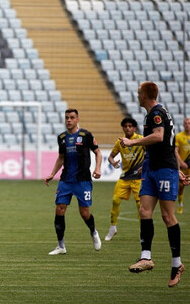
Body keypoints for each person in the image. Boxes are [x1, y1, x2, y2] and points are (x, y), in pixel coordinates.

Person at [121, 82, 190, 288]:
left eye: (138, 93)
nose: (137, 96)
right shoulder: (152, 114)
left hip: (163, 170)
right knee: (144, 211)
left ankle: (176, 264)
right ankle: (146, 257)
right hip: (152, 169)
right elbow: (169, 142)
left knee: (168, 216)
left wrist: (133, 142)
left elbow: (160, 137)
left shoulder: (157, 113)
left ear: (144, 95)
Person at [44, 109, 102, 255]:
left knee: (84, 213)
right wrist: (52, 173)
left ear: (77, 119)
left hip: (82, 181)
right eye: (67, 118)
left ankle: (93, 232)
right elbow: (61, 158)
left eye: (71, 117)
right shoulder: (62, 137)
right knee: (59, 209)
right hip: (65, 181)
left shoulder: (86, 135)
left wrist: (98, 168)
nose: (69, 120)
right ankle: (61, 246)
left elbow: (98, 152)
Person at [105, 117, 145, 241]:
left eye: (130, 126)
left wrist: (145, 166)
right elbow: (110, 157)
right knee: (115, 200)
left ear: (134, 128)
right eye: (125, 126)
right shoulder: (120, 142)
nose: (127, 128)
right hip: (125, 176)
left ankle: (142, 232)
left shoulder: (140, 140)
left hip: (138, 178)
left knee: (140, 205)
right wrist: (113, 162)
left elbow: (150, 154)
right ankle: (113, 228)